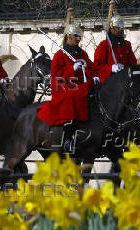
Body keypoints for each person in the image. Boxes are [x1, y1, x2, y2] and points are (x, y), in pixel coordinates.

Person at [37, 23, 99, 152]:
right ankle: (67, 138)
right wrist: (72, 68)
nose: (78, 39)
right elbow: (56, 75)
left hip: (83, 85)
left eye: (79, 36)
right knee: (74, 97)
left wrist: (94, 75)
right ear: (69, 36)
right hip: (65, 88)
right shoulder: (60, 55)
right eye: (76, 36)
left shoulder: (82, 53)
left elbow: (92, 68)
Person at [94, 15, 138, 83]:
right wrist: (111, 68)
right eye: (118, 27)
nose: (120, 29)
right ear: (111, 28)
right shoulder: (104, 45)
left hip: (124, 79)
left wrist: (127, 69)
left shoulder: (126, 45)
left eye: (122, 27)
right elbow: (97, 67)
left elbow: (133, 63)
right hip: (109, 80)